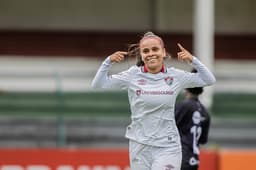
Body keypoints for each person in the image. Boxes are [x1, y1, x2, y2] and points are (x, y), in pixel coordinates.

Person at [91, 31, 216, 170]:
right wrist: (108, 62)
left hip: (168, 146)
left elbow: (209, 79)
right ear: (142, 55)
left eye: (155, 49)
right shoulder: (132, 75)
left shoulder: (175, 75)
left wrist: (193, 60)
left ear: (163, 52)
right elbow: (98, 84)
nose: (151, 53)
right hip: (139, 145)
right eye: (146, 51)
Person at [175, 69, 211, 170]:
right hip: (194, 160)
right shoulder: (205, 112)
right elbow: (203, 140)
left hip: (179, 159)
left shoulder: (182, 106)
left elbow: (166, 128)